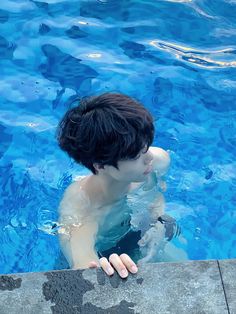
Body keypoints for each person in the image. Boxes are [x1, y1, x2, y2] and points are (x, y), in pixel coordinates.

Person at [57, 93, 171, 278]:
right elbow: (82, 264)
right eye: (136, 155)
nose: (149, 157)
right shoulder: (83, 209)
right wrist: (101, 267)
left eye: (146, 147)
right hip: (109, 252)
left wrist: (156, 224)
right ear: (100, 165)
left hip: (141, 232)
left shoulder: (157, 161)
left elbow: (156, 195)